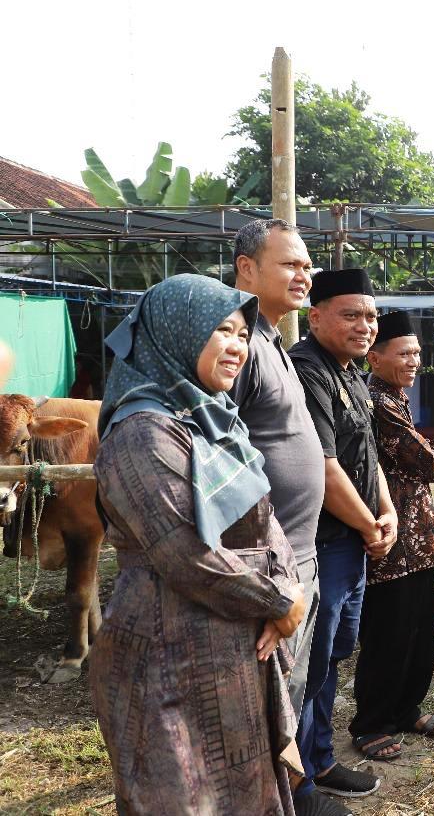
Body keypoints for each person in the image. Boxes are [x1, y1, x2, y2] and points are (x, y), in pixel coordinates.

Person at [89, 274, 307, 814]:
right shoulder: (142, 432)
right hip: (167, 662)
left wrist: (287, 583)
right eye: (220, 331)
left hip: (231, 650)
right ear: (176, 335)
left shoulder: (214, 422)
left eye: (242, 333)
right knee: (182, 795)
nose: (237, 346)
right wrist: (281, 601)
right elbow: (184, 552)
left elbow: (264, 514)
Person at [230, 218, 334, 814]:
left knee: (289, 694)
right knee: (264, 698)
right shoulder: (237, 342)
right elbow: (221, 456)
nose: (305, 274)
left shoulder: (271, 337)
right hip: (269, 564)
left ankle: (289, 794)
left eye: (306, 265)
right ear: (247, 269)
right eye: (291, 264)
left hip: (300, 554)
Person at [349, 312, 434, 755]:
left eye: (418, 354)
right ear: (374, 357)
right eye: (404, 353)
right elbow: (421, 461)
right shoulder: (376, 401)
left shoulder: (394, 399)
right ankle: (371, 724)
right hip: (391, 540)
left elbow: (412, 446)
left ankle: (405, 710)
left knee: (419, 632)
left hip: (418, 542)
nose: (414, 362)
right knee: (388, 634)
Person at [291, 267, 399, 800]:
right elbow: (324, 467)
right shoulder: (305, 370)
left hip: (353, 538)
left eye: (372, 316)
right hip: (321, 542)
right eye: (351, 314)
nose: (366, 325)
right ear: (315, 317)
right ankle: (299, 778)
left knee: (334, 651)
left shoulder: (352, 372)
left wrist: (386, 512)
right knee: (310, 660)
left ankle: (322, 759)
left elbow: (367, 454)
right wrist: (367, 522)